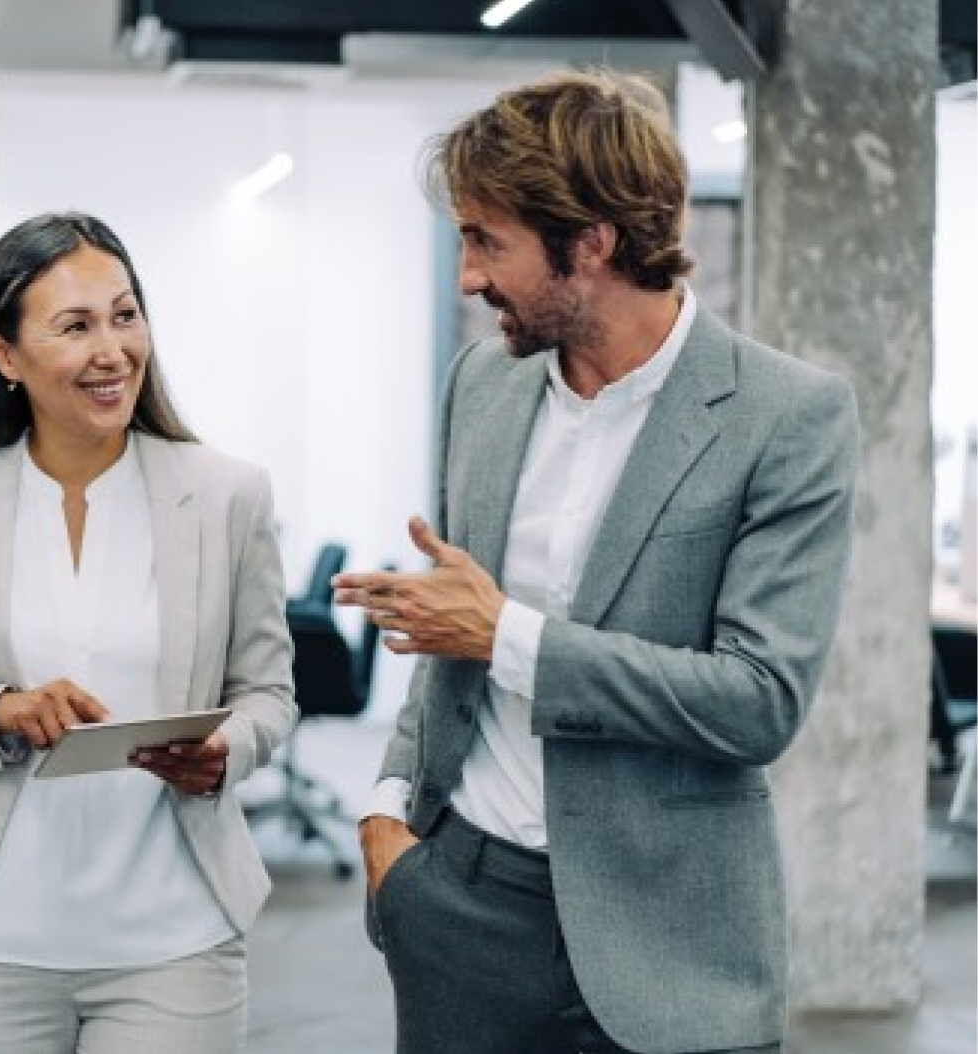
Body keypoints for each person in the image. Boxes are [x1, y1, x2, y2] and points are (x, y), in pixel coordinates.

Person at [336, 71, 859, 1054]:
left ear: (591, 243)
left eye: (487, 240)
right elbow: (447, 625)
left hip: (676, 944)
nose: (466, 276)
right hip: (464, 909)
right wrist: (383, 817)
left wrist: (509, 637)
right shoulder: (483, 384)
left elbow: (758, 700)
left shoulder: (786, 418)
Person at [0, 212, 295, 1054]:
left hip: (174, 938)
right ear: (5, 355)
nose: (111, 350)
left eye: (126, 316)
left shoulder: (228, 493)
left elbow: (267, 695)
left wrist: (225, 751)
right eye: (76, 326)